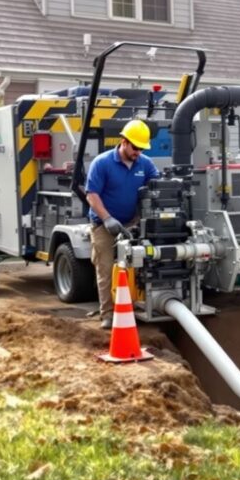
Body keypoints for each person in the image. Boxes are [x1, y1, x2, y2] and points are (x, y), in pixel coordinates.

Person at [85, 119, 160, 329]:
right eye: (135, 147)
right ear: (124, 142)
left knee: (139, 265)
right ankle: (107, 314)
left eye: (142, 148)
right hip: (104, 224)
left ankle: (136, 306)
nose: (138, 152)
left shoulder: (144, 164)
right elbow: (92, 195)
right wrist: (107, 218)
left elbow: (157, 184)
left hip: (132, 223)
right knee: (106, 269)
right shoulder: (102, 163)